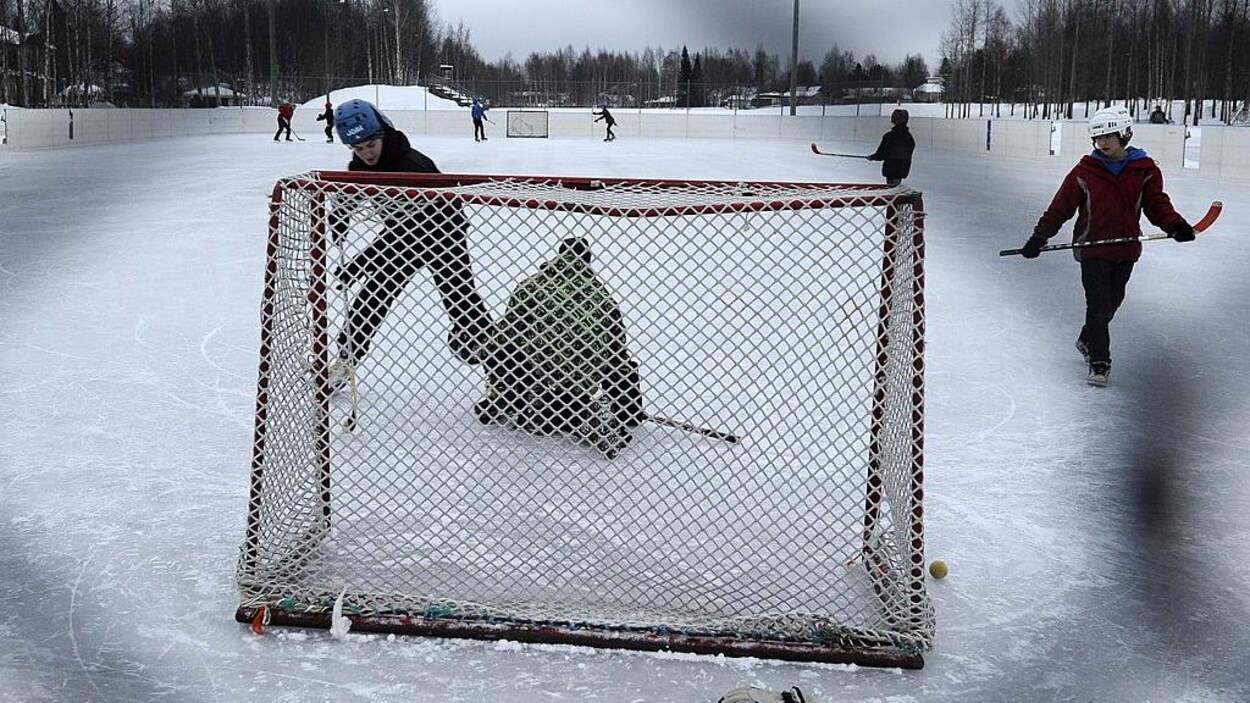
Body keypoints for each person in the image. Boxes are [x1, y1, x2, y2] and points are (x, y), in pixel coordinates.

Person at [1017, 105, 1194, 387]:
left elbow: (1156, 205)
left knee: (1112, 304)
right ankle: (1100, 362)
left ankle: (1088, 338)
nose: (1102, 143)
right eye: (1098, 138)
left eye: (1109, 136)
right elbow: (1060, 207)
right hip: (1092, 248)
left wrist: (1175, 225)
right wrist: (1039, 237)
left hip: (1125, 250)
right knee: (1098, 306)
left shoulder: (1144, 170)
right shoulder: (1085, 171)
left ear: (1124, 133)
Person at [328, 98, 493, 388]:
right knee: (372, 298)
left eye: (370, 145)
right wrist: (340, 217)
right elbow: (349, 193)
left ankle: (500, 365)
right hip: (401, 236)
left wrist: (363, 262)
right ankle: (345, 358)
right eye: (358, 148)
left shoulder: (411, 165)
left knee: (461, 300)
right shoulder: (360, 165)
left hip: (443, 235)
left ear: (383, 133)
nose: (366, 154)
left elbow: (409, 236)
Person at [475, 236, 646, 458]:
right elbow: (618, 355)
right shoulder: (604, 297)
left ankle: (517, 398)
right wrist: (632, 408)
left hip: (538, 369)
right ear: (587, 261)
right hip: (582, 380)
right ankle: (586, 412)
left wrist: (487, 357)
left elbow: (506, 333)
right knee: (600, 365)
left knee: (504, 348)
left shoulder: (532, 286)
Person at [866, 108, 915, 186]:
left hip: (891, 170)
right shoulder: (909, 138)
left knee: (891, 189)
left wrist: (872, 157)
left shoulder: (889, 137)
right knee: (895, 187)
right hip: (902, 170)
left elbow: (881, 154)